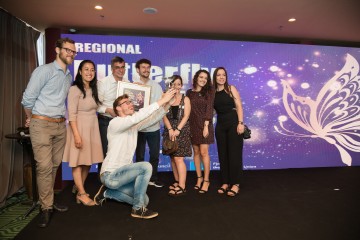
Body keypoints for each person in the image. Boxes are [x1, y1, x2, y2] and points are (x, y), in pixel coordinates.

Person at [93, 89, 176, 219]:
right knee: (146, 166)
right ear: (118, 109)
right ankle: (137, 209)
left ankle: (107, 193)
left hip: (123, 175)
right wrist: (161, 101)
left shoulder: (132, 126)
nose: (131, 104)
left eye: (130, 101)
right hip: (110, 175)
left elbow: (152, 119)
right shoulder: (115, 123)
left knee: (145, 200)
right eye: (126, 102)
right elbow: (139, 116)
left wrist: (167, 104)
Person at [21, 37, 76, 227]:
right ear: (57, 50)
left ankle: (49, 201)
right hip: (42, 124)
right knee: (44, 167)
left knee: (53, 166)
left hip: (61, 125)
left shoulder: (68, 75)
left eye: (73, 51)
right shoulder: (43, 71)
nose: (71, 54)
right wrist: (33, 118)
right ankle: (45, 208)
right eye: (67, 50)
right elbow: (27, 99)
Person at [63, 60, 103, 206]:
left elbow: (99, 107)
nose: (89, 72)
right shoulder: (75, 89)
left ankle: (79, 187)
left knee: (87, 162)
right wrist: (76, 135)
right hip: (78, 127)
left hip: (92, 127)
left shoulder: (94, 89)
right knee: (78, 163)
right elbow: (71, 114)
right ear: (80, 72)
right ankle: (81, 193)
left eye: (92, 69)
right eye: (86, 69)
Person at [213, 67, 245, 197]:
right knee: (223, 154)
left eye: (223, 75)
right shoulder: (213, 92)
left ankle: (235, 184)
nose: (221, 77)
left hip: (233, 123)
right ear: (215, 77)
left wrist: (240, 123)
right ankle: (225, 182)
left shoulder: (231, 89)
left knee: (234, 154)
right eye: (219, 75)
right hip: (220, 125)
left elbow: (239, 107)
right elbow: (214, 110)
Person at [134, 59, 164, 187]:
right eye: (143, 67)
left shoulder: (157, 86)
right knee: (139, 156)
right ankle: (140, 180)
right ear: (138, 70)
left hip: (154, 128)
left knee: (154, 155)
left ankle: (153, 178)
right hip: (139, 128)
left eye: (148, 67)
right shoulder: (133, 86)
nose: (146, 70)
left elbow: (160, 106)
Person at [186, 69, 214, 193]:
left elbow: (209, 108)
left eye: (205, 78)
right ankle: (199, 178)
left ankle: (207, 180)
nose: (203, 80)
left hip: (205, 125)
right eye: (201, 77)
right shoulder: (189, 93)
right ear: (196, 78)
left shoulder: (209, 91)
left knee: (204, 152)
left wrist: (206, 125)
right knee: (196, 152)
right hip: (192, 125)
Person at [162, 75, 192, 196]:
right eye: (173, 84)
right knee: (172, 157)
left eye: (178, 84)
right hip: (169, 129)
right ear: (170, 85)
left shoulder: (186, 99)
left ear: (181, 85)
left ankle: (182, 186)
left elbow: (186, 116)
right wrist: (170, 129)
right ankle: (177, 181)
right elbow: (162, 114)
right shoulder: (165, 97)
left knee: (179, 158)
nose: (176, 86)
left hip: (182, 130)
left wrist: (178, 129)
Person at [97, 56, 130, 160]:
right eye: (117, 67)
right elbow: (96, 105)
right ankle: (103, 176)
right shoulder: (103, 83)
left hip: (123, 122)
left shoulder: (127, 83)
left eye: (123, 67)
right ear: (112, 69)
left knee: (121, 153)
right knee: (106, 153)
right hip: (106, 122)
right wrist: (108, 110)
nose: (121, 70)